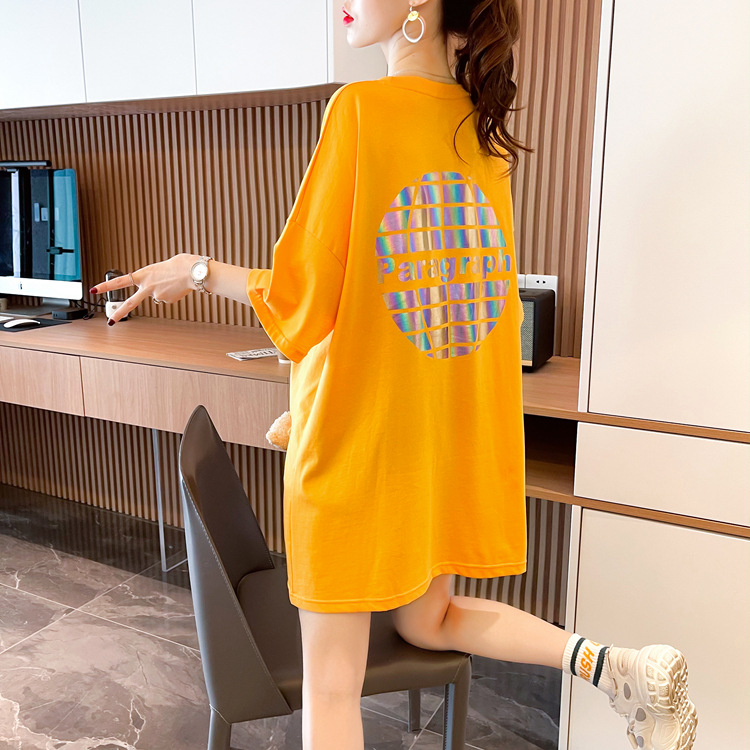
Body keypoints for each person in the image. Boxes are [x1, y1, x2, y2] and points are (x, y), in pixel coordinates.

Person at [90, 2, 697, 749]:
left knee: (331, 688)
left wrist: (198, 270)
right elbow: (441, 317)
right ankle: (617, 667)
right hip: (431, 457)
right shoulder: (482, 137)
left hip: (357, 463)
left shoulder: (360, 111)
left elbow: (305, 300)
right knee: (428, 620)